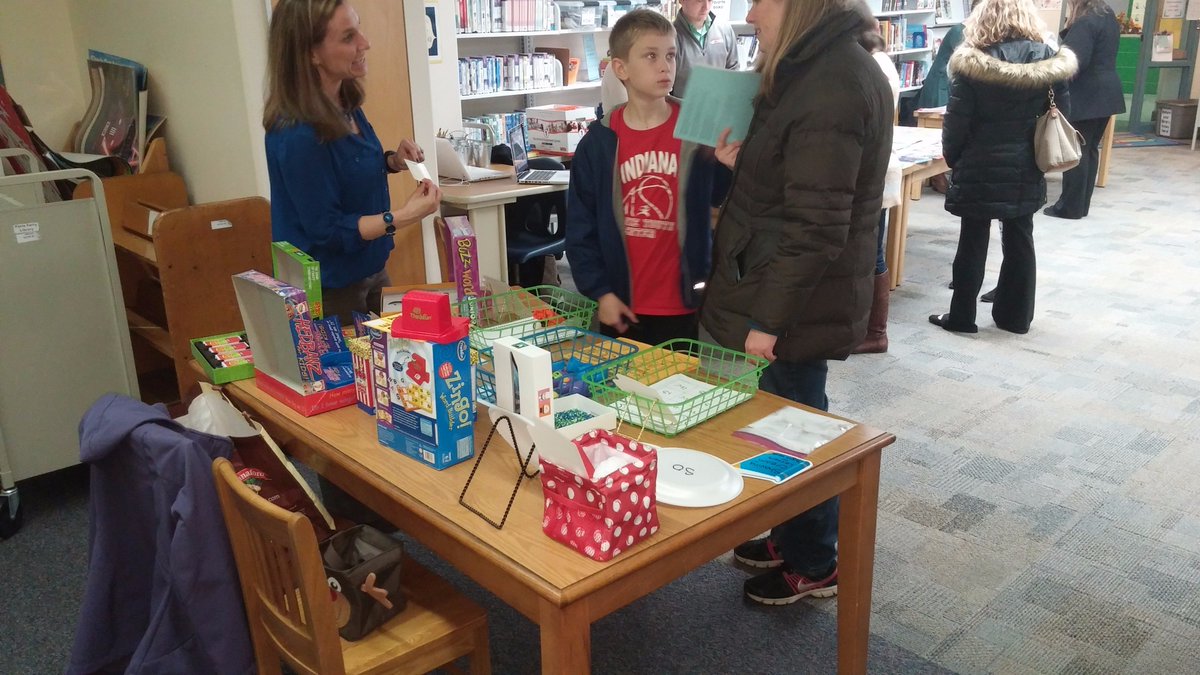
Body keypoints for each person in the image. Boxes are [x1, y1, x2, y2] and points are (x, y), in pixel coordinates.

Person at [701, 0, 893, 604]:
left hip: (788, 303)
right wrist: (745, 161)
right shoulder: (814, 69)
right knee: (778, 424)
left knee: (793, 430)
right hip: (777, 287)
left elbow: (816, 226)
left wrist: (767, 321)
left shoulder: (832, 82)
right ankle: (794, 535)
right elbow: (794, 190)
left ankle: (815, 561)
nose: (751, 14)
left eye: (762, 1)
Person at [264, 0, 441, 323]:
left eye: (358, 29)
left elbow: (348, 169)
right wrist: (402, 216)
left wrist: (393, 161)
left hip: (371, 272)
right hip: (331, 292)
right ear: (310, 53)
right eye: (348, 37)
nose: (365, 43)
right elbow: (329, 230)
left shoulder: (343, 103)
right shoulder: (297, 134)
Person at [567, 10, 728, 347]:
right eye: (651, 56)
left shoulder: (697, 128)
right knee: (620, 392)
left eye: (670, 55)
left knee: (680, 391)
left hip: (682, 300)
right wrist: (601, 292)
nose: (664, 66)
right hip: (622, 304)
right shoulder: (599, 142)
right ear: (621, 68)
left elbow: (720, 200)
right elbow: (581, 230)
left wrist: (727, 165)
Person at [928, 0, 1076, 335]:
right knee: (1021, 236)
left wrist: (954, 160)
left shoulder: (971, 64)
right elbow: (1063, 111)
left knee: (973, 239)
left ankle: (962, 317)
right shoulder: (1049, 62)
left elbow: (957, 122)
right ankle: (1016, 317)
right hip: (1026, 163)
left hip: (979, 163)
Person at [1043, 0, 1125, 220]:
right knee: (1089, 150)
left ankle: (1069, 207)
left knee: (1076, 151)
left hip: (1087, 96)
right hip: (1106, 94)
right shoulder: (1107, 15)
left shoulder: (1085, 21)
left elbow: (1074, 62)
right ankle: (1081, 205)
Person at [852, 28, 901, 354]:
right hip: (877, 170)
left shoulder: (871, 67)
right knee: (871, 251)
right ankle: (872, 329)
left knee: (873, 254)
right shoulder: (879, 62)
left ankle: (876, 331)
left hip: (873, 173)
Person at [672, 0, 740, 97]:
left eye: (710, 0)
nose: (706, 6)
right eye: (699, 0)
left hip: (719, 106)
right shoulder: (670, 37)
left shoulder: (725, 30)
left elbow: (734, 70)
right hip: (685, 108)